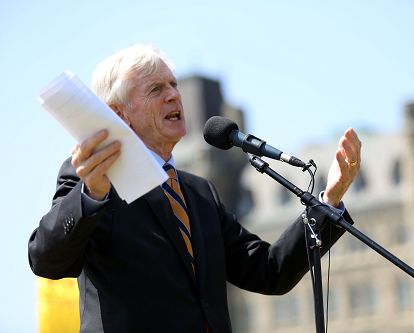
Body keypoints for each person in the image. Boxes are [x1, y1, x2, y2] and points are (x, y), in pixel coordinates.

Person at [28, 44, 362, 332]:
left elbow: (268, 271)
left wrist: (329, 199)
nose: (174, 94)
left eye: (173, 84)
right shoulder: (94, 179)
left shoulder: (200, 193)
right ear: (119, 114)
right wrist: (91, 194)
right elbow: (47, 260)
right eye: (156, 90)